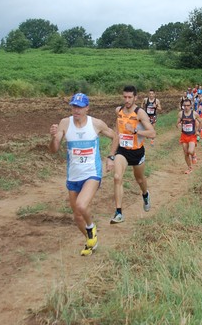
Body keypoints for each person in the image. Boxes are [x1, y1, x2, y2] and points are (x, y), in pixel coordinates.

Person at [49, 93, 118, 256]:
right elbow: (54, 149)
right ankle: (90, 241)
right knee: (77, 216)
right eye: (74, 106)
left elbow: (115, 136)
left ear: (87, 108)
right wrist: (53, 137)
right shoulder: (65, 123)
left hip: (92, 173)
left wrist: (111, 157)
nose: (76, 110)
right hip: (73, 175)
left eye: (80, 107)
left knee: (81, 205)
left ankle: (91, 228)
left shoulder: (96, 124)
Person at [108, 85, 156, 224]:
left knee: (140, 180)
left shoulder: (140, 113)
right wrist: (111, 155)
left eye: (130, 97)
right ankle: (118, 213)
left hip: (137, 151)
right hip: (122, 150)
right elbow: (117, 134)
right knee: (117, 177)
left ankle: (145, 194)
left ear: (135, 98)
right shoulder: (119, 111)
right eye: (125, 97)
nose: (127, 100)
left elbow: (152, 133)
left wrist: (135, 131)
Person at [177, 98, 201, 174]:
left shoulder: (194, 114)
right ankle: (189, 168)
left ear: (191, 106)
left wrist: (198, 131)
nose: (186, 107)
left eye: (188, 105)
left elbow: (201, 121)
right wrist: (179, 125)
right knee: (186, 153)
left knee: (190, 151)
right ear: (183, 106)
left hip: (192, 135)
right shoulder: (180, 114)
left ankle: (194, 154)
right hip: (184, 135)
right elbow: (177, 123)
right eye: (185, 105)